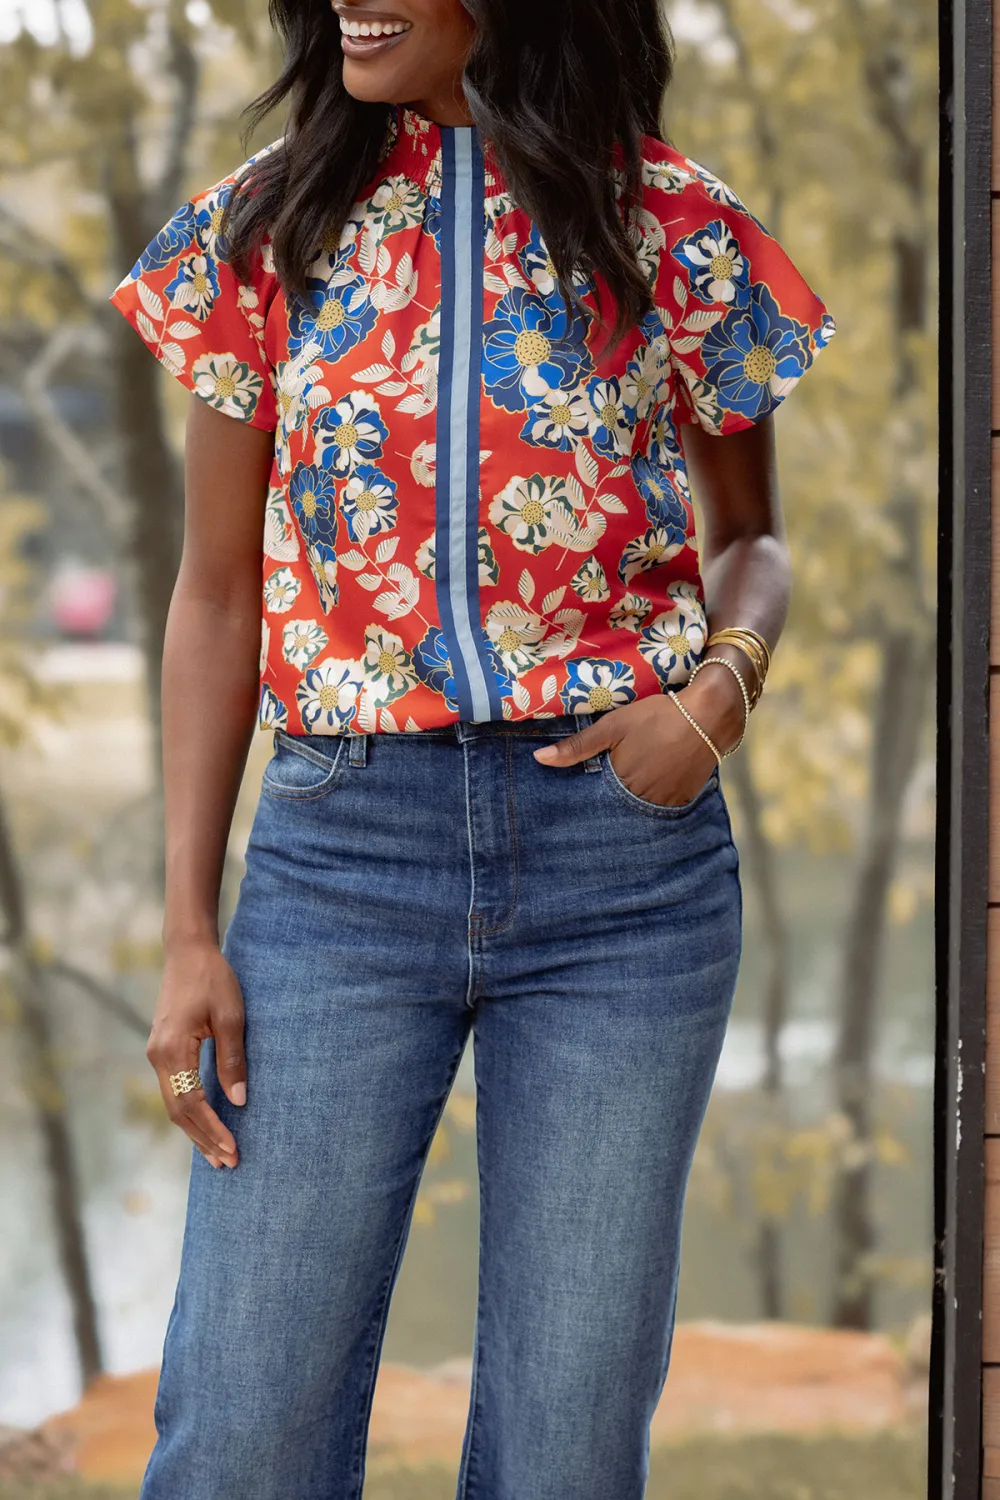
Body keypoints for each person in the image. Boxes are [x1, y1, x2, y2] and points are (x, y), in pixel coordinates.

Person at [109, 1, 834, 1496]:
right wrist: (187, 930)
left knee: (567, 1453)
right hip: (341, 861)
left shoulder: (667, 225)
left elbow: (750, 539)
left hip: (622, 871)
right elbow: (217, 592)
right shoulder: (266, 232)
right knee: (242, 1434)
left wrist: (718, 697)